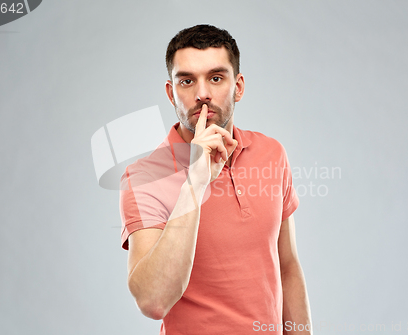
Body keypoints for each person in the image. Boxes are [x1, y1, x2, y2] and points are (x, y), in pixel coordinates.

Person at [119, 24, 312, 334]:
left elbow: (287, 266)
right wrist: (194, 182)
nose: (202, 94)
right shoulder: (144, 178)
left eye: (216, 78)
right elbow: (153, 301)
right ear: (171, 93)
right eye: (186, 81)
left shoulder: (271, 154)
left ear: (238, 86)